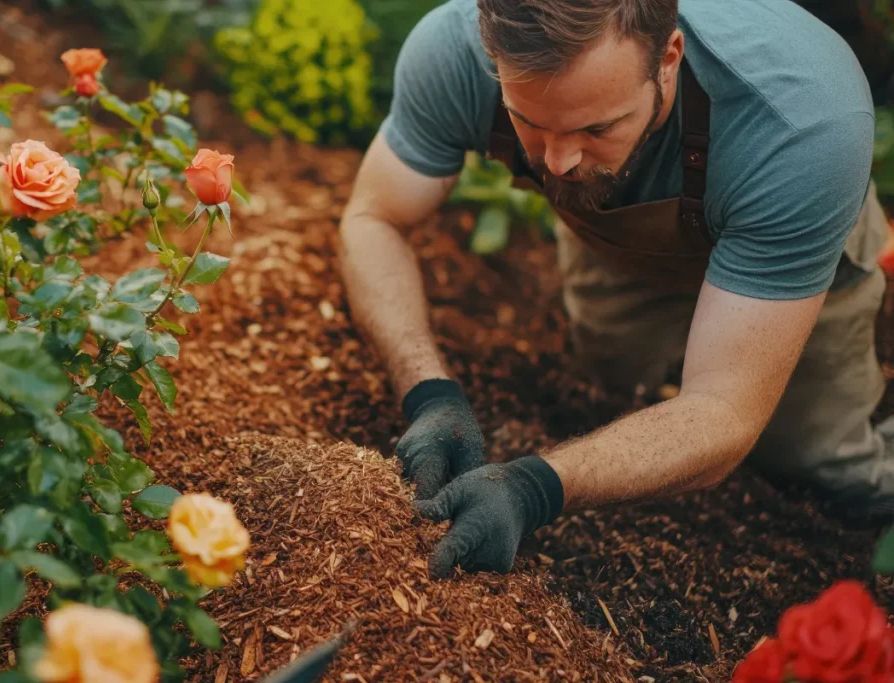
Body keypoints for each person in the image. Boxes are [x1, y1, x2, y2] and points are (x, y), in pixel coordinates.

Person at [336, 0, 894, 580]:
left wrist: (535, 488)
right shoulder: (456, 49)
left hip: (786, 246)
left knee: (814, 458)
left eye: (597, 126)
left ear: (668, 59)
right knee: (605, 386)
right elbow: (374, 219)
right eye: (528, 120)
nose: (557, 162)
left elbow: (724, 410)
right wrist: (430, 395)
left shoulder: (799, 122)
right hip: (615, 238)